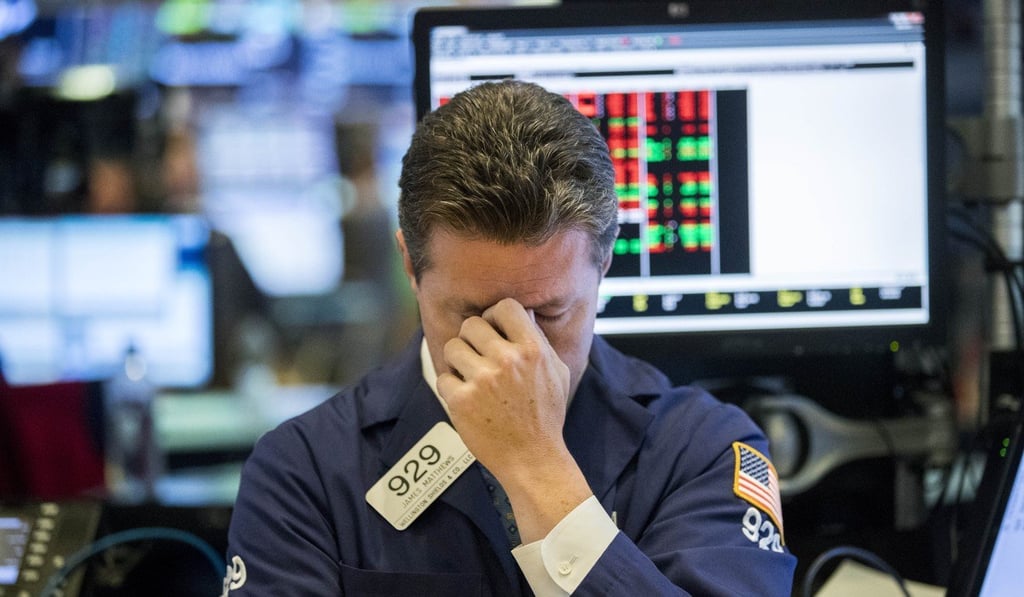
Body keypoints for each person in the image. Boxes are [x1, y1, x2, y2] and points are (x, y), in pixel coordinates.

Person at [223, 80, 796, 596]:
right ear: (409, 265)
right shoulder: (304, 472)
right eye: (472, 313)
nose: (514, 351)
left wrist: (537, 466)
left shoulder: (703, 451)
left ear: (602, 267)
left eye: (547, 313)